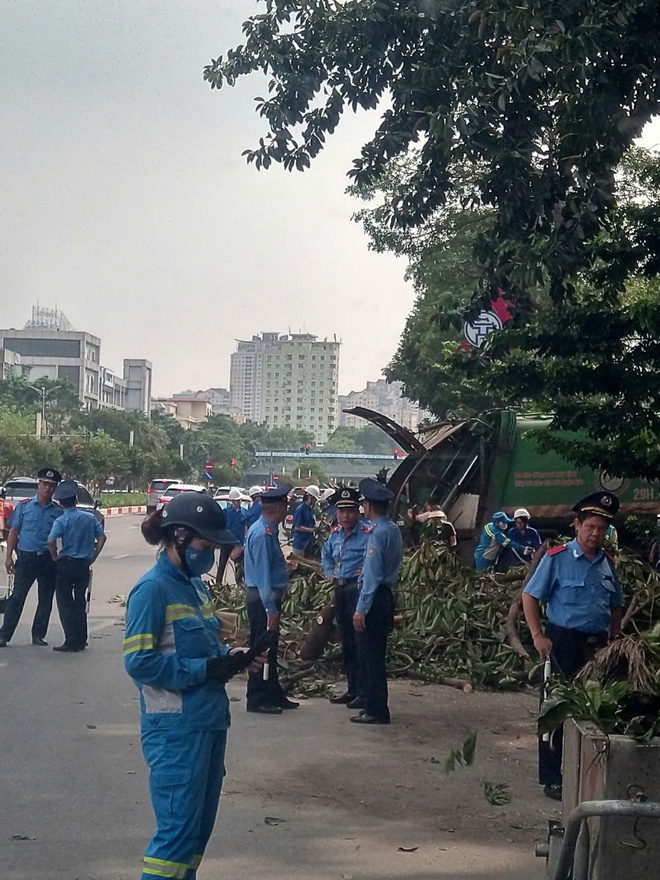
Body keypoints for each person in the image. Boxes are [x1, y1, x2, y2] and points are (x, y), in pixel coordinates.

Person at [124, 491, 264, 880]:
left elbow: (205, 645)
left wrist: (231, 655)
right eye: (206, 542)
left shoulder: (196, 586)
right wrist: (206, 668)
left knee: (195, 840)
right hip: (175, 732)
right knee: (174, 840)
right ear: (181, 536)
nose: (210, 551)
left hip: (208, 722)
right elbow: (138, 662)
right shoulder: (152, 590)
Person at [522, 491, 625, 801]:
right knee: (555, 710)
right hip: (563, 642)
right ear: (577, 525)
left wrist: (616, 638)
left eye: (601, 529)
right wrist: (538, 636)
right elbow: (530, 596)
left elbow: (616, 603)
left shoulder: (607, 563)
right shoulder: (559, 559)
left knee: (595, 711)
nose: (596, 534)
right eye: (590, 527)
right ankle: (553, 778)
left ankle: (588, 775)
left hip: (597, 647)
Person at [351, 478, 403, 725]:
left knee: (369, 655)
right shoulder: (392, 529)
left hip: (375, 598)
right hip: (386, 596)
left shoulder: (376, 534)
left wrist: (361, 609)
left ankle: (375, 709)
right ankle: (376, 705)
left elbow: (371, 576)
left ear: (368, 506)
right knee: (377, 655)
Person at [244, 482, 299, 715]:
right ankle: (257, 697)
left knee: (271, 647)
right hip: (262, 600)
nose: (287, 509)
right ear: (277, 508)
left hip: (267, 598)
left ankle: (273, 691)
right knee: (261, 648)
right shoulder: (262, 534)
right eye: (285, 505)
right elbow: (263, 575)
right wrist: (270, 609)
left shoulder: (268, 530)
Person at [0, 467, 63, 647]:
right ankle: (4, 635)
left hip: (48, 559)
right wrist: (9, 556)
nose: (47, 488)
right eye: (44, 484)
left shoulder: (58, 511)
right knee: (17, 597)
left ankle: (38, 635)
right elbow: (14, 531)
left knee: (45, 598)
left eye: (51, 485)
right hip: (27, 558)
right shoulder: (25, 506)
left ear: (55, 487)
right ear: (38, 484)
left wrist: (59, 557)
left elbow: (60, 538)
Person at [322, 488, 370, 708]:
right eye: (341, 511)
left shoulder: (368, 533)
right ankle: (352, 689)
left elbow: (374, 561)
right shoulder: (335, 535)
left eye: (349, 511)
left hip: (357, 591)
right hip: (340, 590)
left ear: (358, 511)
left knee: (361, 642)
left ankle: (363, 690)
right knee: (347, 642)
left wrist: (365, 571)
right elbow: (326, 555)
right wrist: (329, 571)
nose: (345, 516)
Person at [47, 479, 107, 653]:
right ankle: (82, 639)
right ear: (75, 499)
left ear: (60, 502)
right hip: (83, 565)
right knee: (80, 601)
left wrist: (55, 557)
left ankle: (71, 641)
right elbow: (102, 538)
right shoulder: (89, 518)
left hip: (66, 564)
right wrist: (93, 556)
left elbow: (51, 540)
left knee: (65, 602)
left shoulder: (61, 520)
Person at [291, 484, 320, 558]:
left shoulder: (310, 509)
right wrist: (312, 530)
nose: (315, 501)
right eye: (314, 499)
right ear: (310, 497)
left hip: (308, 543)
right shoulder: (300, 509)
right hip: (300, 544)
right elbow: (297, 527)